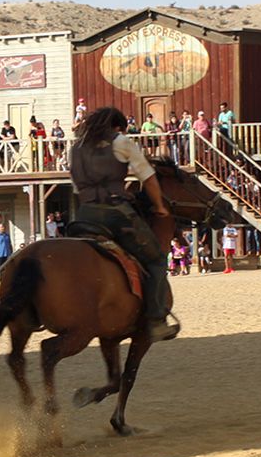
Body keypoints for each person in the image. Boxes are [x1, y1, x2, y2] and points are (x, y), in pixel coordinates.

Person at [67, 107, 178, 341]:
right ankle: (156, 321)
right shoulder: (121, 141)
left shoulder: (75, 148)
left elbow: (76, 186)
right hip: (116, 213)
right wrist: (159, 206)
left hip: (84, 214)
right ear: (117, 127)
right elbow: (148, 177)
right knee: (156, 259)